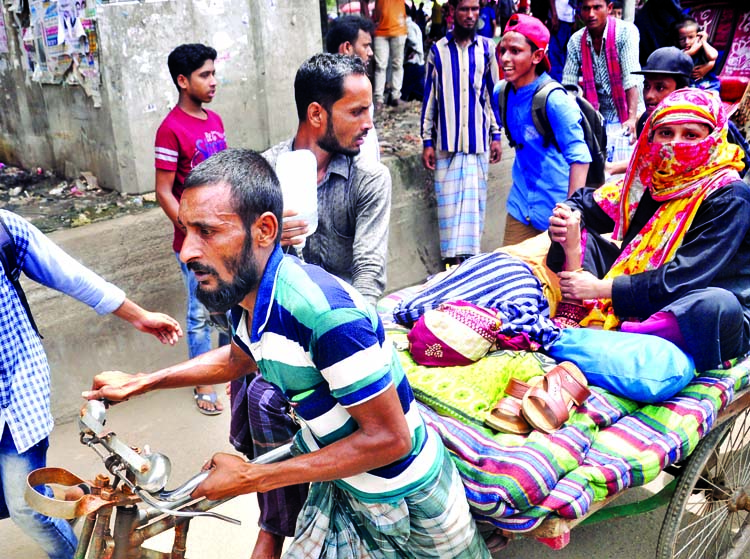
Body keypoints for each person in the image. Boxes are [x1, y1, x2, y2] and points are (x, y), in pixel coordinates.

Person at [85, 148, 491, 559]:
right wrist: (144, 382)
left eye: (206, 232)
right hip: (349, 490)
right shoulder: (252, 299)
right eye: (185, 230)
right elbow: (237, 360)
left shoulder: (325, 316)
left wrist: (251, 477)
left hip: (411, 508)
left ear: (264, 230)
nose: (188, 251)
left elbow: (389, 439)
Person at [245, 53, 392, 559]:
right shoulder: (261, 174)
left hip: (340, 334)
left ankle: (275, 532)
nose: (369, 123)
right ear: (316, 115)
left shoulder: (370, 179)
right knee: (256, 400)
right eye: (357, 112)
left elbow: (369, 275)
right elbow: (240, 279)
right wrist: (267, 244)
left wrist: (342, 348)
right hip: (275, 332)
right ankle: (277, 525)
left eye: (368, 109)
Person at [0, 210, 182, 559]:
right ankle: (68, 504)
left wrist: (140, 316)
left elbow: (70, 275)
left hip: (18, 384)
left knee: (26, 507)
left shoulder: (5, 228)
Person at [547, 88, 749, 372]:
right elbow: (586, 204)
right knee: (571, 226)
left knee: (716, 304)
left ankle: (628, 334)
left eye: (690, 135)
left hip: (689, 300)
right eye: (666, 133)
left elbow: (686, 277)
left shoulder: (729, 195)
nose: (675, 144)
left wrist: (601, 288)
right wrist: (565, 216)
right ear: (651, 137)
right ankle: (587, 311)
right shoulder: (652, 180)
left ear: (713, 138)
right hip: (637, 290)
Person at [154, 43, 228, 415]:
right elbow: (163, 191)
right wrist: (191, 233)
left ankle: (226, 368)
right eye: (205, 75)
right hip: (194, 244)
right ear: (183, 81)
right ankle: (202, 380)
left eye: (213, 73)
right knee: (199, 313)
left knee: (226, 307)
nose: (213, 81)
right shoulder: (170, 130)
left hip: (224, 238)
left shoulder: (214, 122)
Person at [497, 14, 591, 245]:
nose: (505, 59)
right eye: (503, 50)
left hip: (556, 211)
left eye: (515, 51)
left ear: (537, 56)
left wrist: (570, 212)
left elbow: (579, 157)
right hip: (520, 207)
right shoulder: (501, 93)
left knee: (556, 279)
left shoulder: (555, 101)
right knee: (509, 272)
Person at [421, 0, 502, 267]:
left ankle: (468, 266)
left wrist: (496, 134)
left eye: (475, 9)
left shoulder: (488, 49)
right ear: (452, 12)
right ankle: (451, 266)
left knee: (473, 212)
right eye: (464, 9)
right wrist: (427, 141)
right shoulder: (438, 51)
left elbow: (492, 96)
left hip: (477, 143)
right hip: (447, 144)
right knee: (449, 209)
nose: (470, 15)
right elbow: (430, 98)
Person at [562, 0, 643, 161]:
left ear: (609, 8)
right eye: (586, 8)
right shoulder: (576, 41)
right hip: (599, 114)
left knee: (627, 169)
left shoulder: (626, 32)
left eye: (597, 7)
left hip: (630, 110)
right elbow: (569, 86)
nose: (591, 14)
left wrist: (632, 119)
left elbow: (631, 78)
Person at [604, 46, 692, 178]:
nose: (649, 95)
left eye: (660, 88)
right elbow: (650, 160)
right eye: (646, 86)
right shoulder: (645, 122)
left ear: (682, 90)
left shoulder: (701, 127)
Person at [325, 14, 380, 163]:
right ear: (347, 47)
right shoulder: (332, 90)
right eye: (365, 45)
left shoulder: (358, 83)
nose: (370, 52)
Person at [372, 0, 408, 110]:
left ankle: (396, 96)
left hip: (398, 28)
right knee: (380, 65)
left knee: (397, 64)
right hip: (380, 30)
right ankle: (379, 99)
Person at [674, 17, 720, 92]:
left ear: (698, 36)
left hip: (708, 87)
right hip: (688, 88)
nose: (686, 42)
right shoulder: (679, 52)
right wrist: (692, 51)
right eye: (682, 39)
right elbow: (677, 60)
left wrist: (703, 41)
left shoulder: (704, 49)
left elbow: (713, 56)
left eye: (691, 37)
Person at [547, 0, 576, 82]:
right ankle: (555, 81)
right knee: (555, 54)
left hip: (569, 19)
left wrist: (574, 18)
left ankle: (564, 81)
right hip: (559, 18)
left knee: (567, 54)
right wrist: (554, 15)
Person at [401, 12, 426, 101]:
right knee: (419, 91)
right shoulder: (414, 25)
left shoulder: (408, 26)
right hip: (419, 63)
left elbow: (413, 41)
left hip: (412, 63)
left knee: (403, 91)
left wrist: (412, 51)